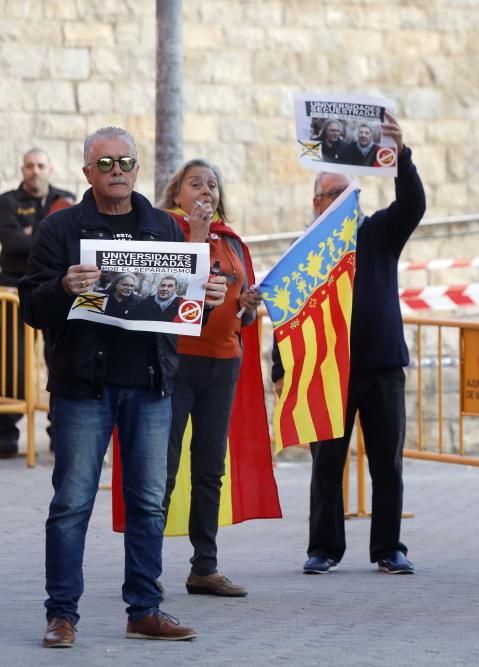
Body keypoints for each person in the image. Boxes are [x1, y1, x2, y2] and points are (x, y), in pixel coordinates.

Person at [19, 126, 225, 648]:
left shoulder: (162, 227)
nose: (117, 172)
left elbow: (184, 307)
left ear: (138, 170)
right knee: (72, 503)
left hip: (151, 385)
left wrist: (210, 293)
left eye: (125, 163)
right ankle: (61, 614)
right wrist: (64, 286)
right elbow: (32, 308)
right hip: (83, 386)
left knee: (150, 502)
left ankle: (145, 609)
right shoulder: (61, 228)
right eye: (105, 164)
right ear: (87, 172)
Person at [273, 111, 425, 575]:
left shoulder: (378, 232)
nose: (343, 200)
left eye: (349, 193)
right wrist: (282, 369)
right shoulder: (307, 250)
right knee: (326, 465)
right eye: (334, 194)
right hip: (326, 371)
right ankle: (323, 547)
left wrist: (400, 155)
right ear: (317, 203)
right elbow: (289, 309)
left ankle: (388, 548)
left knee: (387, 464)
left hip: (381, 366)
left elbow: (414, 205)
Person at [158, 159, 263, 597]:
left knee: (209, 468)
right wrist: (197, 234)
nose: (205, 190)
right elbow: (171, 289)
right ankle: (145, 569)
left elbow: (245, 314)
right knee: (162, 466)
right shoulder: (165, 232)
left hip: (224, 363)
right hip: (179, 362)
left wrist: (251, 304)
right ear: (176, 193)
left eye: (212, 184)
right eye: (195, 183)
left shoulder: (233, 242)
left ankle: (204, 567)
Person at [0, 148, 74, 458]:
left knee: (59, 361)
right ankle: (5, 436)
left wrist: (34, 235)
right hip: (13, 294)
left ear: (50, 168)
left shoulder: (67, 198)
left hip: (55, 290)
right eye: (29, 165)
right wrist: (48, 236)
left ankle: (60, 432)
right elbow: (13, 243)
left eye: (40, 165)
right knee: (10, 367)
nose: (35, 171)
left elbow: (67, 240)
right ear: (22, 169)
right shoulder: (7, 202)